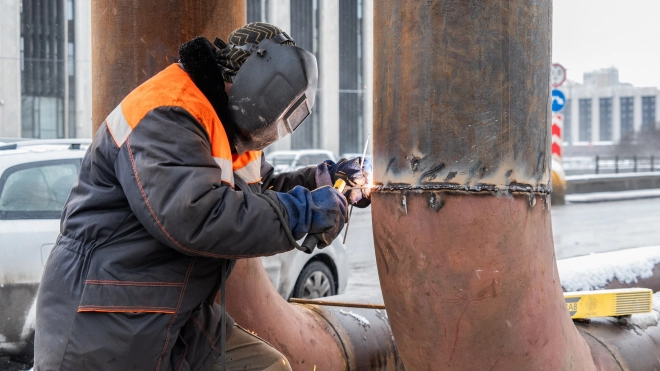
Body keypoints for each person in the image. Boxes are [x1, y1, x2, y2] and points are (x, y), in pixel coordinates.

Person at [34, 23, 371, 371]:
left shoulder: (226, 127)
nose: (272, 129)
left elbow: (260, 193)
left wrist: (324, 182)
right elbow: (197, 217)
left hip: (174, 313)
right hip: (108, 318)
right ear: (254, 88)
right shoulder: (168, 112)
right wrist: (302, 213)